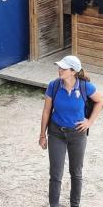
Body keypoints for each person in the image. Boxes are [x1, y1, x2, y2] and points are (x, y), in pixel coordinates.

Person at [39, 55, 103, 207]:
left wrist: (89, 121)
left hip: (77, 135)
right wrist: (42, 135)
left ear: (73, 71)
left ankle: (75, 205)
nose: (59, 70)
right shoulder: (53, 86)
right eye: (59, 67)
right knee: (55, 174)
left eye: (63, 68)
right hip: (56, 133)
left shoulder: (85, 87)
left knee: (76, 173)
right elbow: (46, 111)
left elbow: (100, 101)